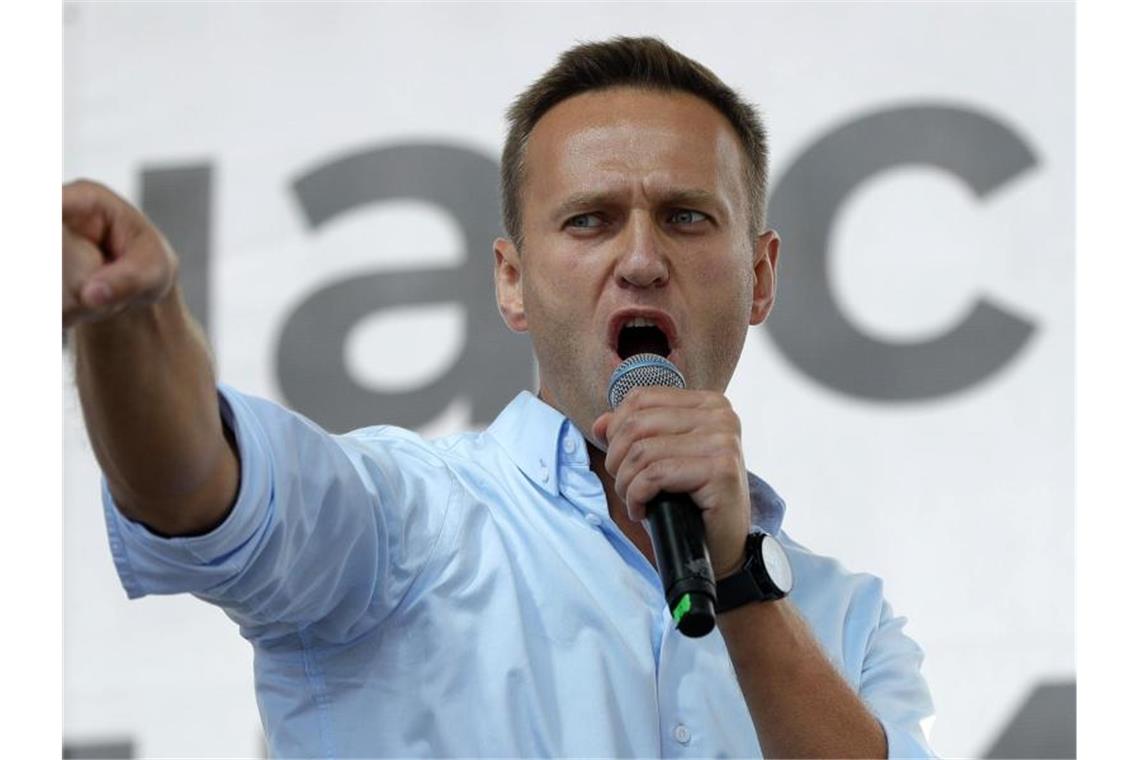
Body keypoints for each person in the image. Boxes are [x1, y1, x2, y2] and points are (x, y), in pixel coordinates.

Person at [63, 36, 935, 758]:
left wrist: (741, 575)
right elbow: (198, 488)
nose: (639, 259)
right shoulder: (401, 521)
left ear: (759, 276)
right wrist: (129, 322)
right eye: (588, 219)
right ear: (512, 282)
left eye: (686, 216)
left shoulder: (845, 619)